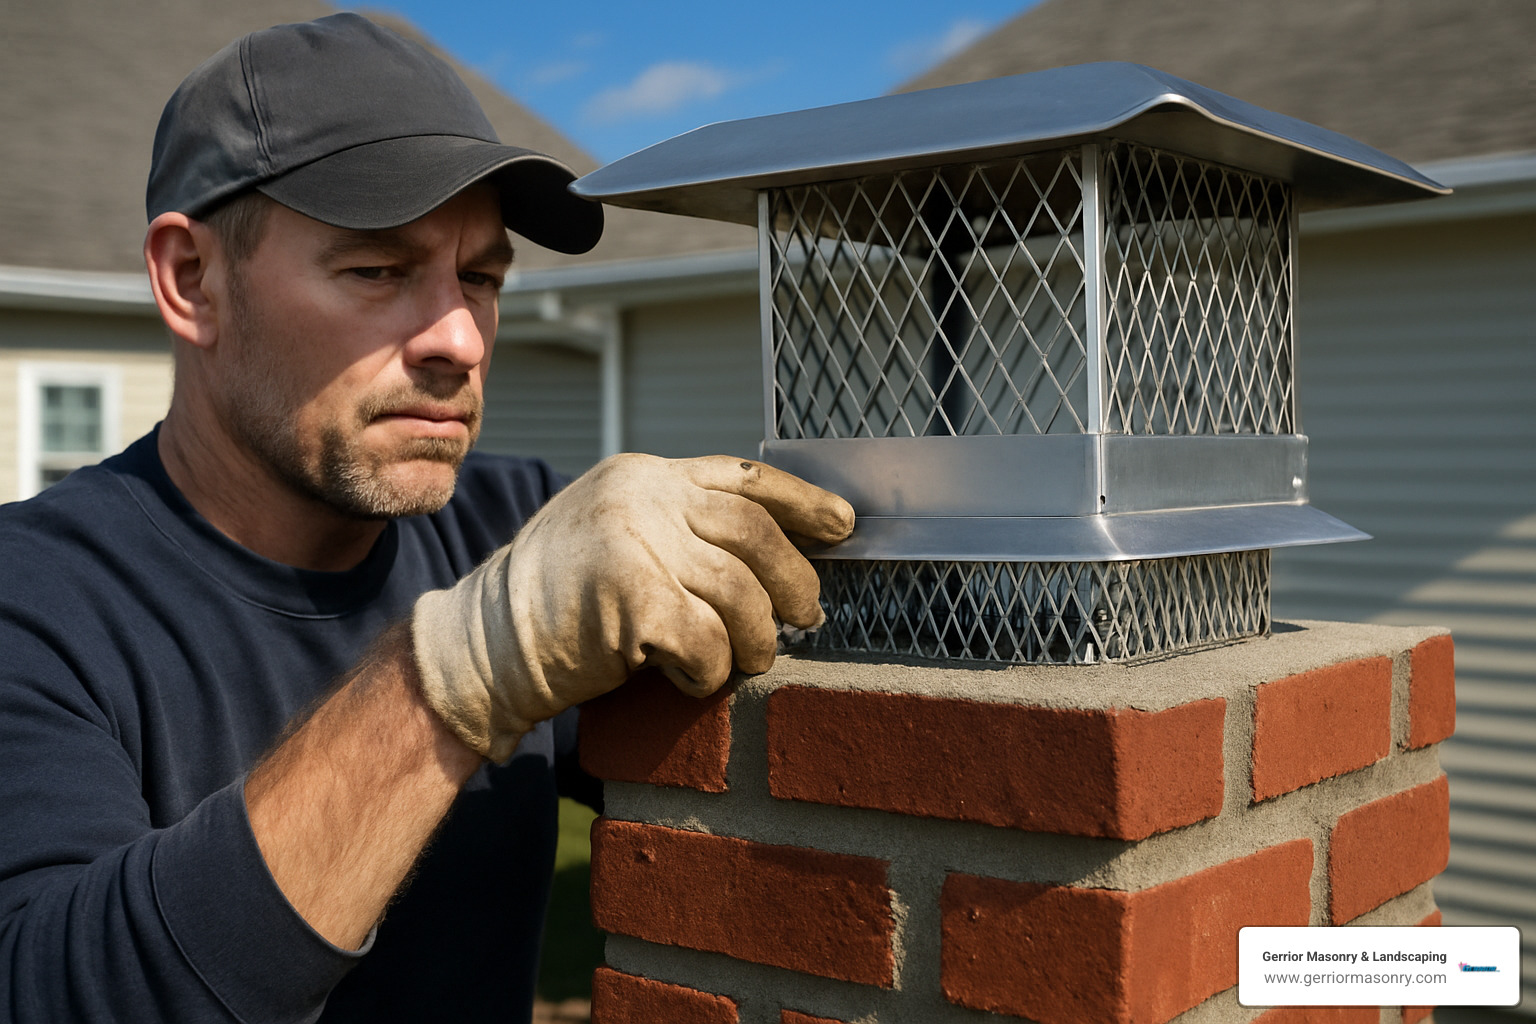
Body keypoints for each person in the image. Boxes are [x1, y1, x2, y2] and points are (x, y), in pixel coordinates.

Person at [0, 13, 853, 1023]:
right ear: (193, 281)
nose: (460, 336)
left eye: (482, 277)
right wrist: (459, 669)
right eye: (377, 270)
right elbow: (61, 990)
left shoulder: (514, 528)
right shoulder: (36, 602)